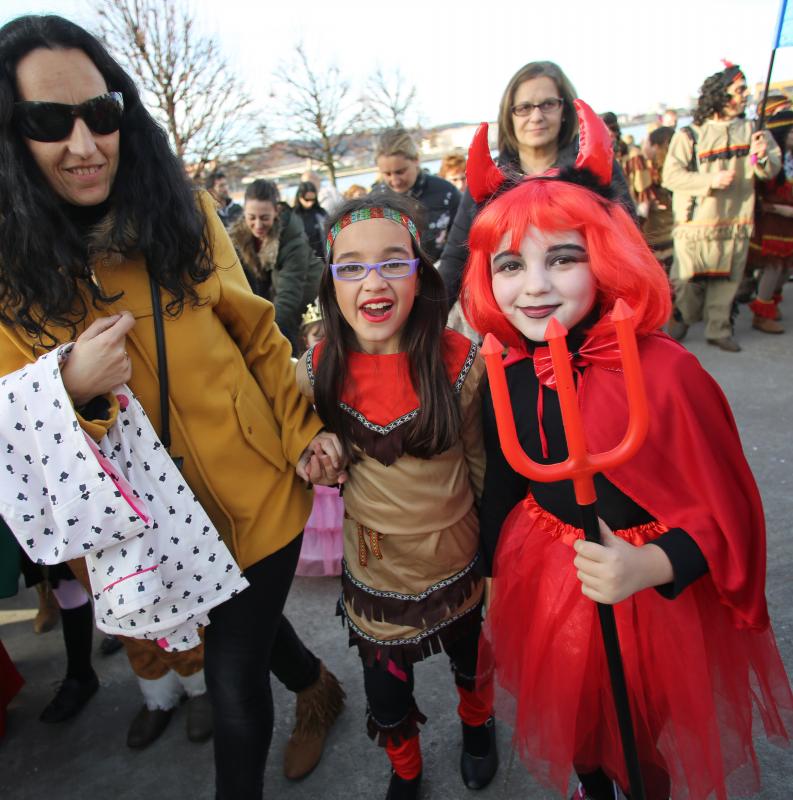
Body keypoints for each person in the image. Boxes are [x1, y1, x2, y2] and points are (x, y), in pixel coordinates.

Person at [0, 15, 344, 798]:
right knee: (245, 626)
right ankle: (317, 686)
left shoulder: (179, 209)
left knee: (231, 676)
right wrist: (69, 386)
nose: (85, 144)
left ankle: (295, 715)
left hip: (255, 486)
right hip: (148, 526)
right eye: (50, 121)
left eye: (101, 114)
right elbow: (10, 420)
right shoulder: (9, 273)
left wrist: (302, 431)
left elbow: (255, 334)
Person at [461, 102, 793, 800]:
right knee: (575, 714)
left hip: (645, 595)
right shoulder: (507, 372)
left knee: (639, 729)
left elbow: (728, 511)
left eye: (562, 258)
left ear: (605, 257)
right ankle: (591, 782)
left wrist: (652, 564)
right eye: (510, 264)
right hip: (544, 573)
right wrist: (491, 574)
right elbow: (506, 485)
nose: (535, 284)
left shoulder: (665, 373)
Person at [296, 195, 497, 800]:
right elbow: (274, 416)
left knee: (471, 661)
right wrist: (308, 443)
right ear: (331, 283)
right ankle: (405, 770)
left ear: (420, 273)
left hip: (457, 560)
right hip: (376, 572)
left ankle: (478, 727)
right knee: (385, 691)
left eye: (392, 263)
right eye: (352, 266)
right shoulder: (317, 368)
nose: (374, 282)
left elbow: (482, 466)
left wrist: (497, 557)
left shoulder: (462, 363)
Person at [439, 61, 634, 310]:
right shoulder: (489, 181)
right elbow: (455, 259)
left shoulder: (592, 171)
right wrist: (429, 321)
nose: (536, 116)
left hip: (588, 313)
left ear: (564, 109)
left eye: (548, 104)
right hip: (517, 315)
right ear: (509, 115)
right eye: (524, 108)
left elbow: (628, 242)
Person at [662, 63, 781, 352]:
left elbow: (769, 171)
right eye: (739, 90)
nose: (745, 95)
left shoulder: (753, 130)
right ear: (720, 94)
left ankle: (719, 329)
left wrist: (762, 157)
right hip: (695, 226)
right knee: (686, 282)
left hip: (735, 221)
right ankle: (682, 316)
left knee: (727, 282)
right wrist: (710, 180)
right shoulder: (689, 135)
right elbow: (671, 176)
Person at [230, 179, 323, 354]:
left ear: (277, 211)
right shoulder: (238, 240)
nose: (258, 225)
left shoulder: (293, 241)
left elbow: (289, 296)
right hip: (274, 302)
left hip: (309, 301)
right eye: (251, 217)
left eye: (265, 218)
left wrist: (263, 334)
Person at [294, 302, 343, 578]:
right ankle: (320, 554)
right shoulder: (299, 369)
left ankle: (342, 553)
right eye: (317, 336)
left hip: (336, 441)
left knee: (336, 506)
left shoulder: (341, 363)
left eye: (327, 335)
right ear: (306, 339)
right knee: (319, 507)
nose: (323, 341)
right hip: (315, 444)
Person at [374, 127, 461, 262]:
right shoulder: (374, 201)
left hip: (442, 269)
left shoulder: (446, 193)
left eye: (400, 172)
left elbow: (462, 242)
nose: (395, 180)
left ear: (416, 159)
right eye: (387, 174)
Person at [747, 104, 793, 333]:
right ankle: (761, 313)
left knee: (785, 269)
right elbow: (756, 182)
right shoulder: (770, 158)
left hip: (788, 221)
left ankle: (771, 304)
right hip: (771, 222)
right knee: (773, 267)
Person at [641, 126, 675, 270]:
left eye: (647, 143)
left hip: (658, 235)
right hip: (672, 233)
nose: (644, 147)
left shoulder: (653, 172)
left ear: (655, 146)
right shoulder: (676, 168)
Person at [293, 180, 329, 261]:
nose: (310, 203)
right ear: (299, 197)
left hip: (323, 258)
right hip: (303, 260)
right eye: (307, 199)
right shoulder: (292, 216)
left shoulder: (321, 213)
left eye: (313, 199)